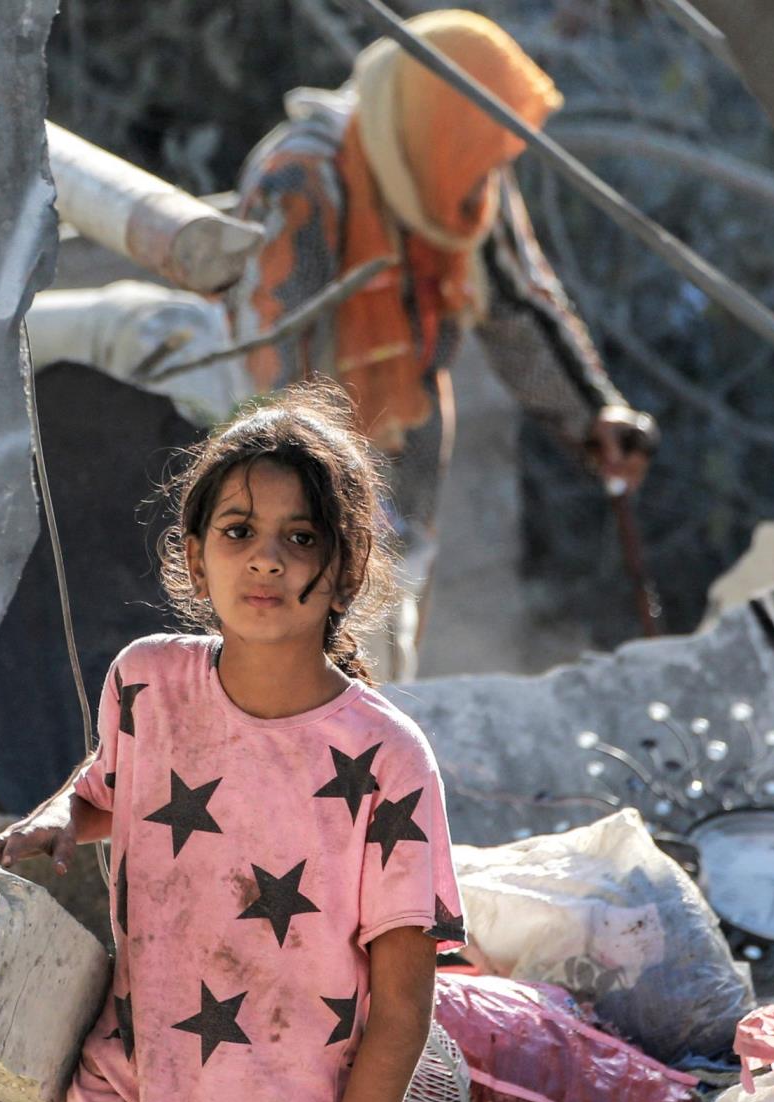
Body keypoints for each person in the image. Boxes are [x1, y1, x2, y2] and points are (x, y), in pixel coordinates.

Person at [0, 384, 461, 1102]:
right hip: (132, 1088)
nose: (268, 559)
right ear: (196, 556)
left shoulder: (387, 760)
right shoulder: (148, 681)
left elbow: (404, 1007)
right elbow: (113, 782)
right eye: (239, 530)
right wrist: (66, 813)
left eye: (299, 536)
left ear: (345, 564)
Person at [229, 10, 654, 676]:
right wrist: (314, 507)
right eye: (482, 152)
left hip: (409, 445)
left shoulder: (458, 170)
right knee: (305, 649)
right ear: (441, 120)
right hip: (292, 465)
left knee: (392, 640)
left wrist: (593, 413)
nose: (489, 176)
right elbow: (272, 369)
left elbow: (517, 304)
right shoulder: (306, 181)